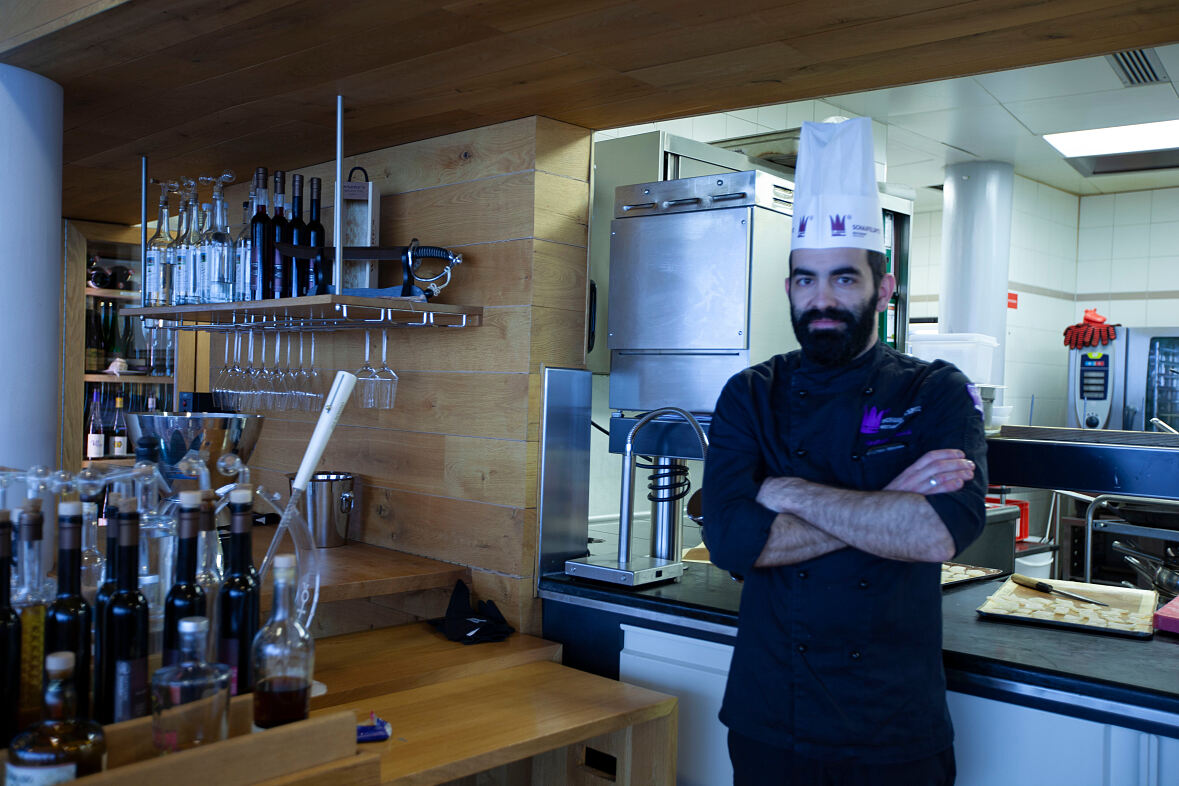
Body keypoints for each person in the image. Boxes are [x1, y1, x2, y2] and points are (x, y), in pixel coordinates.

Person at [702, 117, 988, 786]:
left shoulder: (934, 388)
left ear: (881, 291)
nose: (821, 298)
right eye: (804, 280)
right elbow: (733, 540)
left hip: (894, 722)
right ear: (788, 287)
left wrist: (788, 492)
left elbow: (938, 532)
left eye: (842, 279)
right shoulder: (749, 393)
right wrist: (888, 507)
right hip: (772, 713)